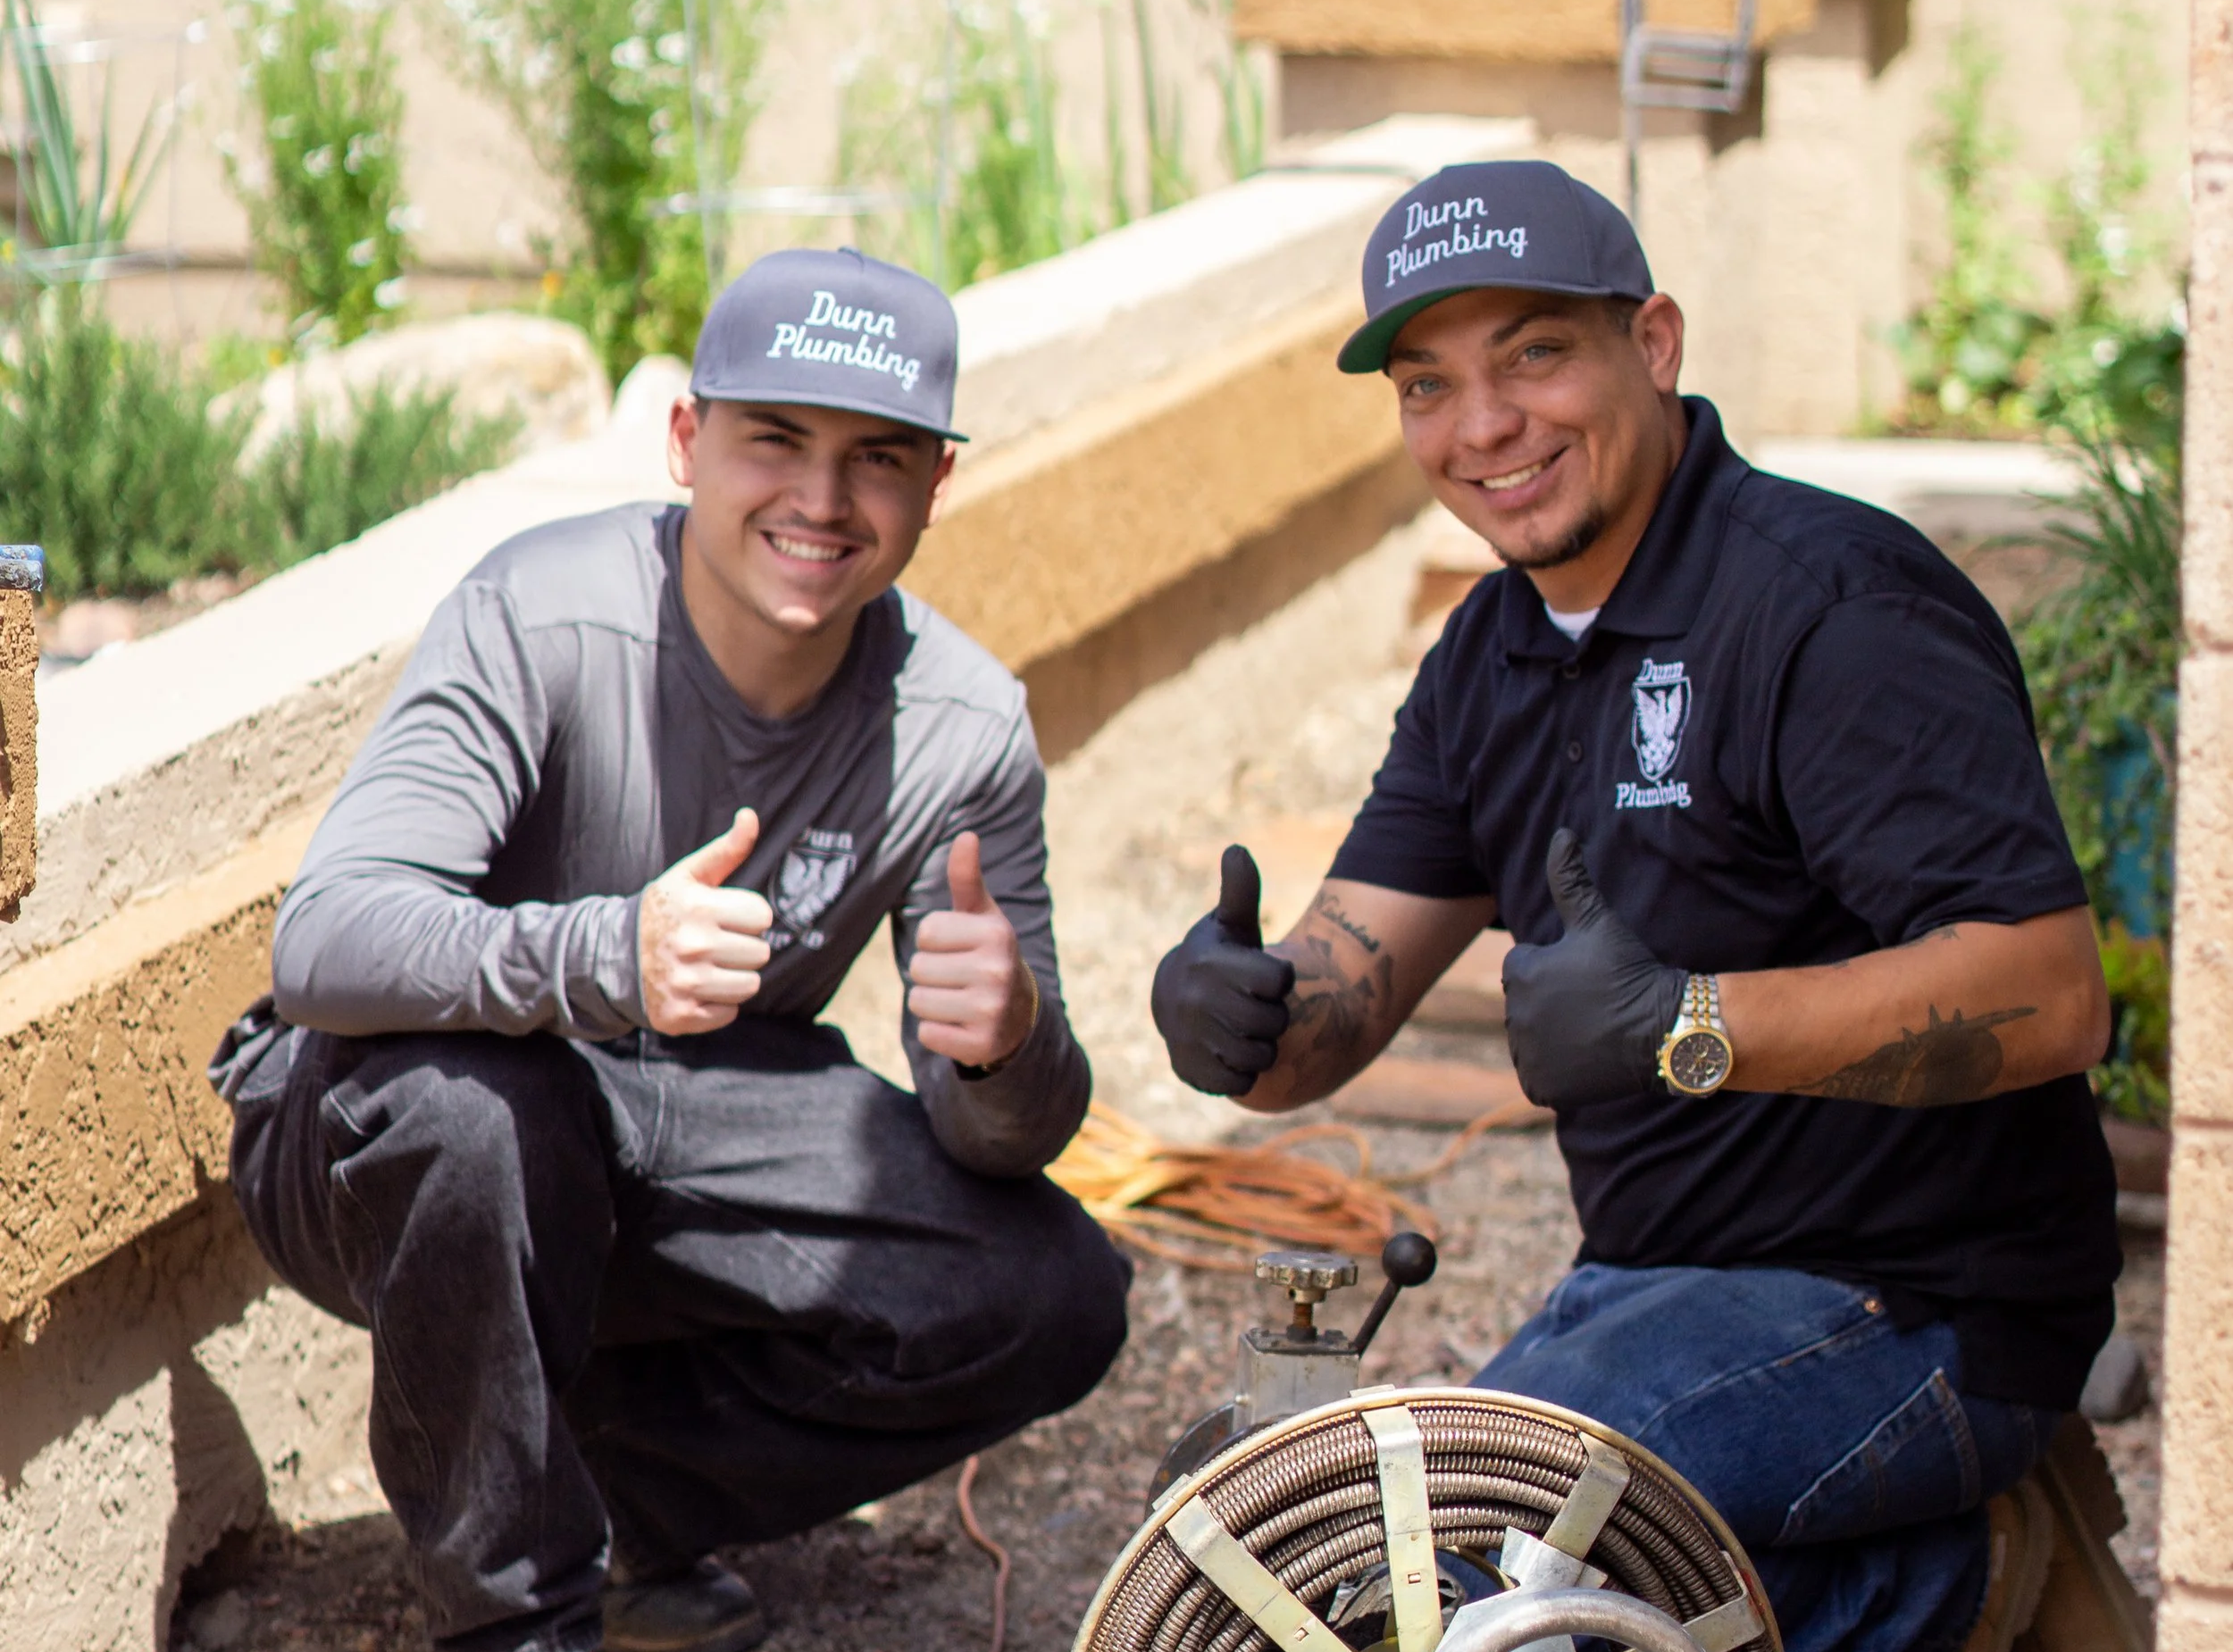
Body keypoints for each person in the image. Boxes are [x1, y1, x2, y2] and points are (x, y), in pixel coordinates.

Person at [1149, 161, 2119, 1651]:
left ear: (1652, 345)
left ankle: (1975, 1571)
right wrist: (1244, 1019)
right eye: (1429, 385)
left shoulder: (1831, 609)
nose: (1484, 426)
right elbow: (1335, 1004)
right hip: (1655, 1289)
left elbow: (2050, 995)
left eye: (1536, 353)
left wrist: (1689, 1025)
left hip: (1920, 1314)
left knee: (1467, 1589)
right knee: (1301, 1556)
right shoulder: (1493, 652)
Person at [210, 247, 1131, 1652]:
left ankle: (599, 1497)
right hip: (381, 1127)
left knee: (1050, 1292)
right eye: (777, 441)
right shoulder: (545, 612)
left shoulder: (959, 725)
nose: (822, 503)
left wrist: (1011, 1047)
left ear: (937, 484)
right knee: (478, 1118)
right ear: (689, 441)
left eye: (878, 459)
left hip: (692, 1105)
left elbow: (1005, 1139)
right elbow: (325, 941)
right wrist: (604, 957)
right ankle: (516, 1617)